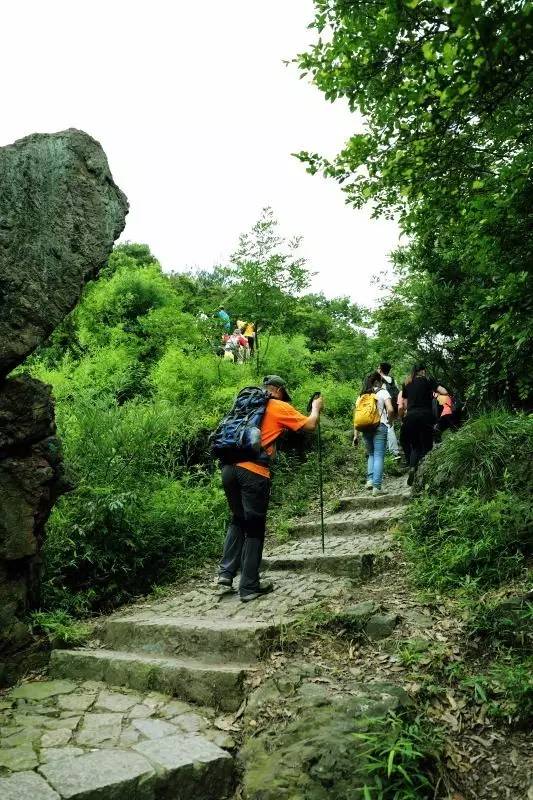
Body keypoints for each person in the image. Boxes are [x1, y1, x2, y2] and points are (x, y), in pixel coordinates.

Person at [217, 376, 324, 602]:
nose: (285, 399)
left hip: (228, 468)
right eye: (284, 394)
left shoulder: (243, 406)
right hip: (253, 471)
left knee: (238, 520)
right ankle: (248, 587)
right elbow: (310, 425)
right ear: (277, 390)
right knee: (255, 528)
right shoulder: (276, 405)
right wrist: (315, 408)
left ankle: (225, 575)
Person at [401, 364, 449, 485]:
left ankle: (412, 468)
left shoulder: (407, 383)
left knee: (415, 446)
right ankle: (425, 477)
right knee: (427, 445)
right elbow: (444, 391)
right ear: (422, 371)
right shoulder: (428, 380)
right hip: (425, 416)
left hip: (411, 417)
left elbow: (405, 405)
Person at [353, 372, 394, 496]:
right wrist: (390, 421)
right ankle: (377, 486)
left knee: (371, 454)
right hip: (379, 426)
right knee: (379, 455)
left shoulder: (361, 396)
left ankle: (370, 480)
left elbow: (356, 417)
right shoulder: (382, 392)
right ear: (377, 381)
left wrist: (355, 435)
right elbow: (391, 409)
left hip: (365, 428)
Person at [377, 362, 401, 460]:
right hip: (394, 406)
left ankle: (394, 452)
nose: (377, 369)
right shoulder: (393, 380)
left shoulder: (380, 380)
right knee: (390, 427)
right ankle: (391, 450)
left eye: (378, 368)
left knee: (388, 427)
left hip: (386, 406)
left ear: (381, 369)